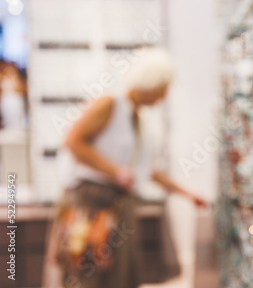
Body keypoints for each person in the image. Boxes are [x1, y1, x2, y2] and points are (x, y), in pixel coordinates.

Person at [51, 48, 207, 288]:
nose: (163, 97)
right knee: (88, 274)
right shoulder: (109, 104)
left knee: (119, 275)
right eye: (163, 89)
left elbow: (148, 171)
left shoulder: (140, 120)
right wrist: (114, 171)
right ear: (152, 83)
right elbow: (73, 141)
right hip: (92, 204)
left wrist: (187, 194)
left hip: (119, 208)